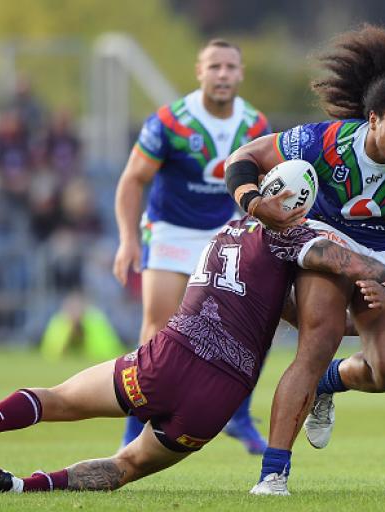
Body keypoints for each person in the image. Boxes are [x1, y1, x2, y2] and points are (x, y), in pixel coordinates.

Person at [0, 211, 385, 494]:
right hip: (219, 393)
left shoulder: (228, 227)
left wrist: (368, 330)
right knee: (127, 467)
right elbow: (352, 264)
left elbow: (281, 310)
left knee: (55, 399)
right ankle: (20, 488)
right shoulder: (297, 235)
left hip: (169, 358)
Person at [224, 24, 385, 494]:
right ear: (372, 120)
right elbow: (243, 158)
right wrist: (253, 202)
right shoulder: (324, 141)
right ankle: (273, 474)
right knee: (317, 340)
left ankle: (331, 382)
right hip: (326, 242)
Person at [112, 38, 271, 452]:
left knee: (250, 328)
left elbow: (267, 180)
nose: (223, 74)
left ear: (241, 74)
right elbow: (133, 179)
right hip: (171, 231)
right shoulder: (169, 122)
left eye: (230, 67)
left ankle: (238, 416)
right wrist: (128, 239)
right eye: (214, 66)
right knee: (157, 327)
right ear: (200, 71)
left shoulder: (255, 125)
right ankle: (133, 433)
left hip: (228, 231)